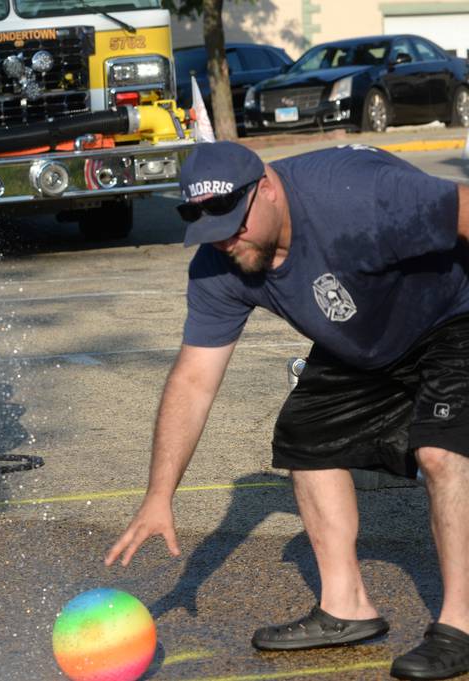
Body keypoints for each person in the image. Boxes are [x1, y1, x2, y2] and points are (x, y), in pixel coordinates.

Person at [105, 141, 469, 681]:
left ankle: (460, 627)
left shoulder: (354, 193)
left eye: (234, 221)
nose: (226, 240)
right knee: (307, 435)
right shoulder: (219, 263)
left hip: (451, 315)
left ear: (268, 188)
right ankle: (346, 607)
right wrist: (160, 495)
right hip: (364, 341)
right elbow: (193, 380)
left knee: (440, 453)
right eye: (211, 228)